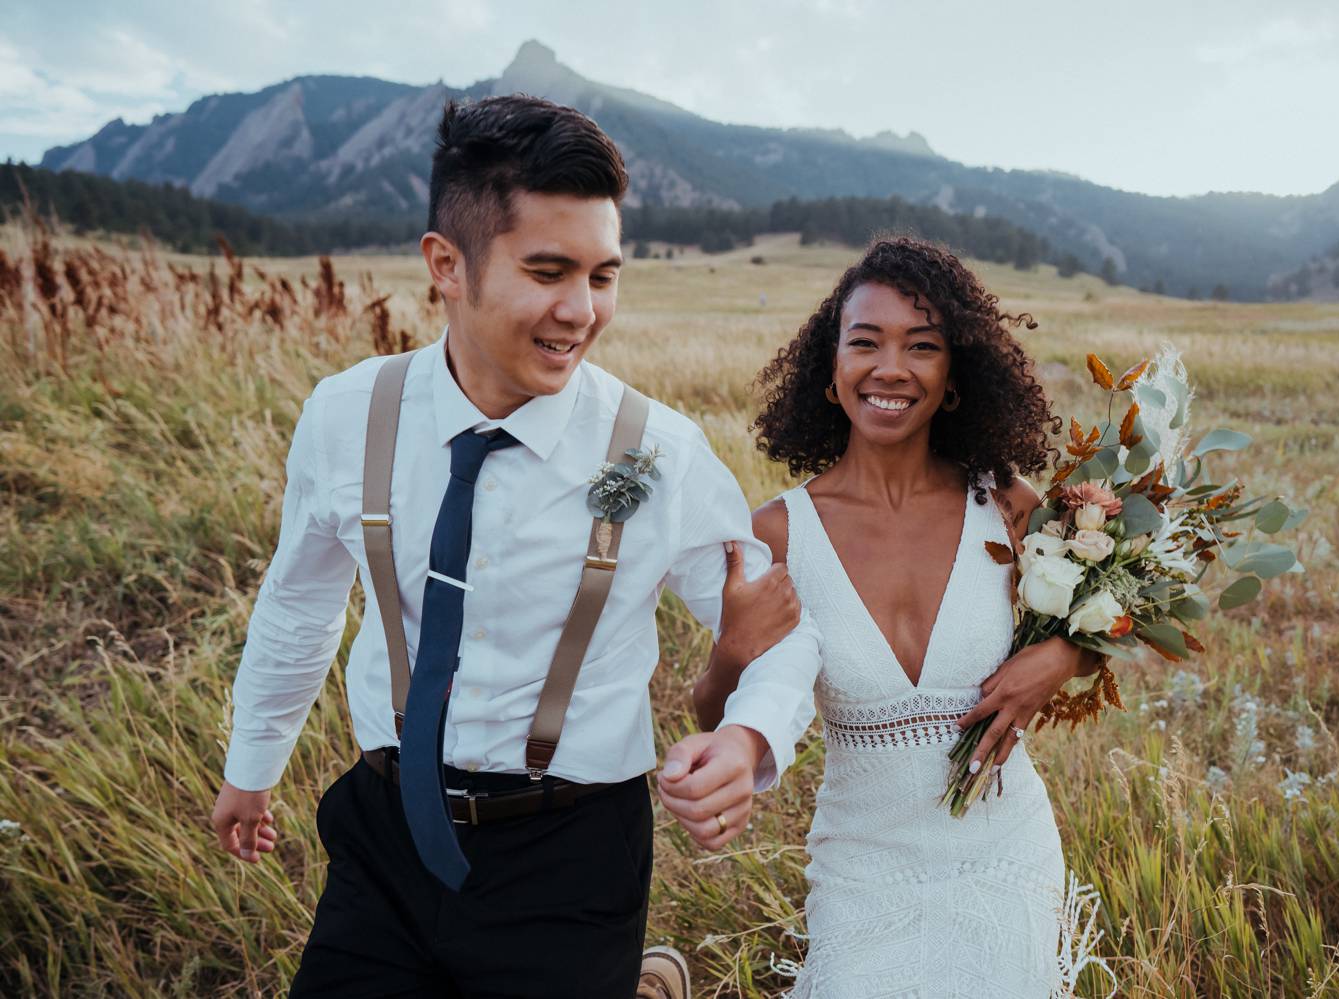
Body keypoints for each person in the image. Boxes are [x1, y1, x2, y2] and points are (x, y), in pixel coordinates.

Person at [208, 94, 819, 998]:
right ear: (446, 265)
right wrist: (251, 768)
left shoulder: (656, 452)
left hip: (571, 853)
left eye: (603, 276)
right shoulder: (347, 416)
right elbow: (300, 602)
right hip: (383, 834)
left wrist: (746, 735)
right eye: (547, 270)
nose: (580, 311)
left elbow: (783, 627)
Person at [694, 237, 1106, 997]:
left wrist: (1058, 661)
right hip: (861, 863)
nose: (891, 367)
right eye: (866, 343)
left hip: (1004, 853)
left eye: (922, 346)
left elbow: (1104, 620)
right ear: (831, 370)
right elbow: (714, 712)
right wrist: (733, 645)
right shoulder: (776, 533)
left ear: (953, 378)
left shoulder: (1007, 507)